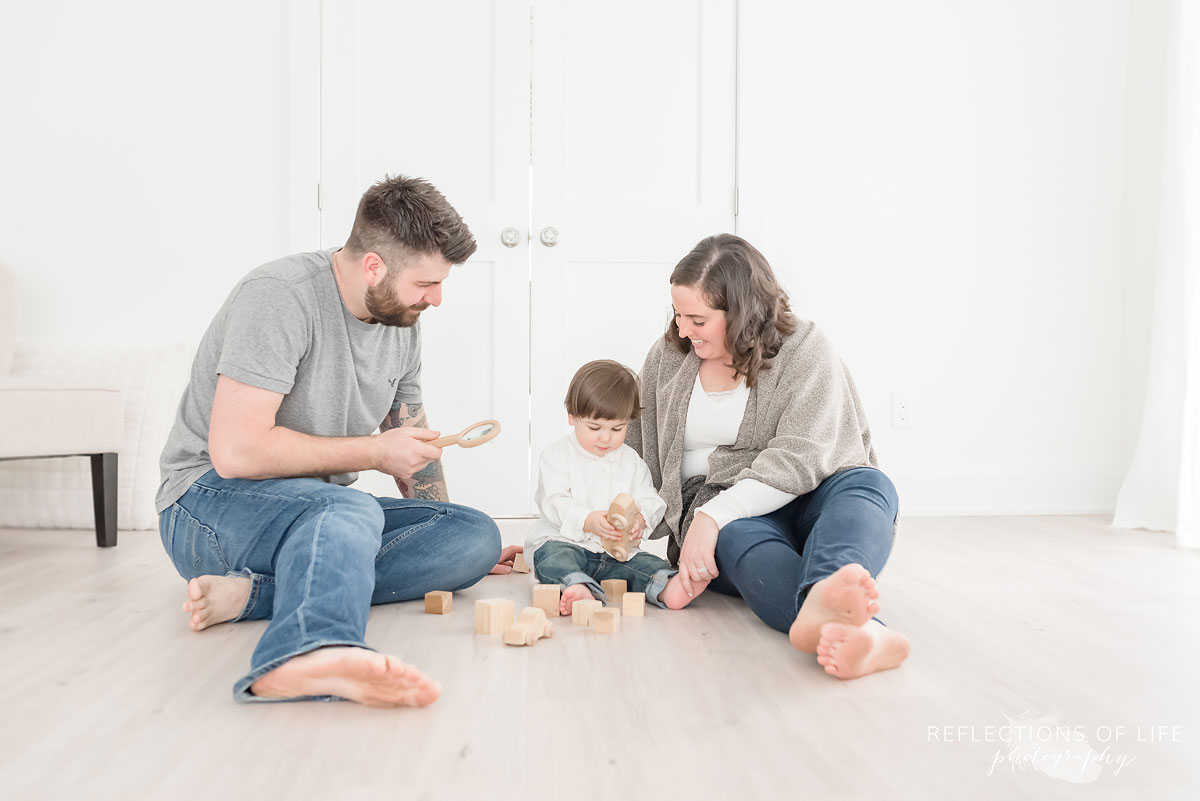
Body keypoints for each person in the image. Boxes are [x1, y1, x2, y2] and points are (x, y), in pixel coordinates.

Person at [156, 174, 517, 707]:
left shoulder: (402, 320)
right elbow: (235, 454)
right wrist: (374, 452)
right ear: (374, 266)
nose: (436, 299)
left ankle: (251, 594)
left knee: (473, 536)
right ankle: (308, 651)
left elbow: (411, 444)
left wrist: (439, 531)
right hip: (206, 503)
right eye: (425, 284)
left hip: (321, 511)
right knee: (347, 510)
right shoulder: (279, 297)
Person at [626, 234, 911, 679]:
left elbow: (805, 453)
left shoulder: (805, 347)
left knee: (869, 485)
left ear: (740, 315)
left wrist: (714, 516)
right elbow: (632, 451)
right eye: (678, 315)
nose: (682, 330)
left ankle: (826, 602)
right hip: (726, 514)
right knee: (738, 541)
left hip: (811, 492)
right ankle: (864, 631)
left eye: (697, 319)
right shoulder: (669, 356)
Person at [526, 360, 696, 615]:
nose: (606, 438)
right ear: (572, 417)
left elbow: (649, 499)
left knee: (644, 563)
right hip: (565, 542)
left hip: (616, 553)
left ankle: (665, 585)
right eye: (595, 428)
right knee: (551, 558)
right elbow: (553, 501)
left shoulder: (632, 462)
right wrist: (587, 520)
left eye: (617, 428)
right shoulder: (556, 456)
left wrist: (641, 519)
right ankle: (576, 586)